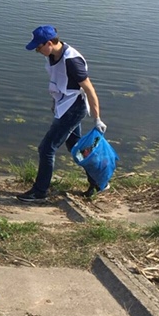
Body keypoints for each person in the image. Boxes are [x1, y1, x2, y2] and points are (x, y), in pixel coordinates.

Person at [17, 25, 107, 202]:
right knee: (76, 147)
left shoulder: (72, 61)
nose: (37, 51)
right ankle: (98, 182)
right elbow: (59, 81)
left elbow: (90, 90)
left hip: (73, 109)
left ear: (49, 43)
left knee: (46, 149)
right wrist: (55, 102)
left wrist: (97, 118)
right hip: (64, 106)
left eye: (38, 47)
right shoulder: (52, 55)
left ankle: (40, 191)